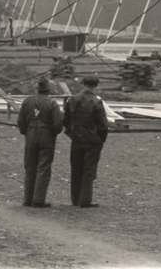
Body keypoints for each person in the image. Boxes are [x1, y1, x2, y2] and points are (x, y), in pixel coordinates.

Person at [17, 76, 63, 207]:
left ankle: (27, 199)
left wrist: (26, 132)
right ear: (48, 90)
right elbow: (57, 124)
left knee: (30, 167)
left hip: (30, 135)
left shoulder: (27, 101)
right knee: (43, 168)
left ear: (37, 88)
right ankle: (38, 200)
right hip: (47, 137)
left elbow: (20, 121)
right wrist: (53, 133)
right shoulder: (52, 103)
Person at [63, 75, 109, 207]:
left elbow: (66, 119)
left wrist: (72, 132)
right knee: (89, 170)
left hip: (77, 138)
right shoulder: (96, 101)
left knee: (76, 169)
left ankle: (75, 199)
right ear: (96, 85)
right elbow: (103, 124)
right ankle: (85, 200)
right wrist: (101, 139)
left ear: (83, 84)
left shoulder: (73, 99)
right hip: (92, 140)